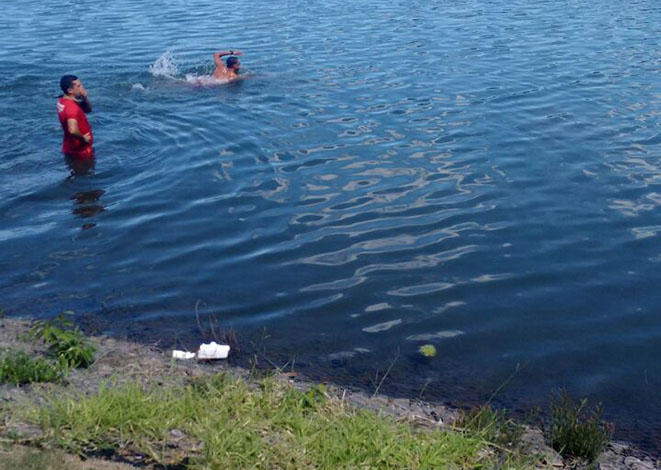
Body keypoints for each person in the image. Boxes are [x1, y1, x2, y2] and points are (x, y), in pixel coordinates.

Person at [56, 75, 93, 158]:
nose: (82, 87)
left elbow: (87, 110)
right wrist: (83, 139)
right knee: (85, 170)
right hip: (79, 152)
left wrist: (85, 98)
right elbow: (72, 130)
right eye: (78, 86)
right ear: (70, 90)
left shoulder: (63, 100)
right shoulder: (71, 108)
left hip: (70, 147)